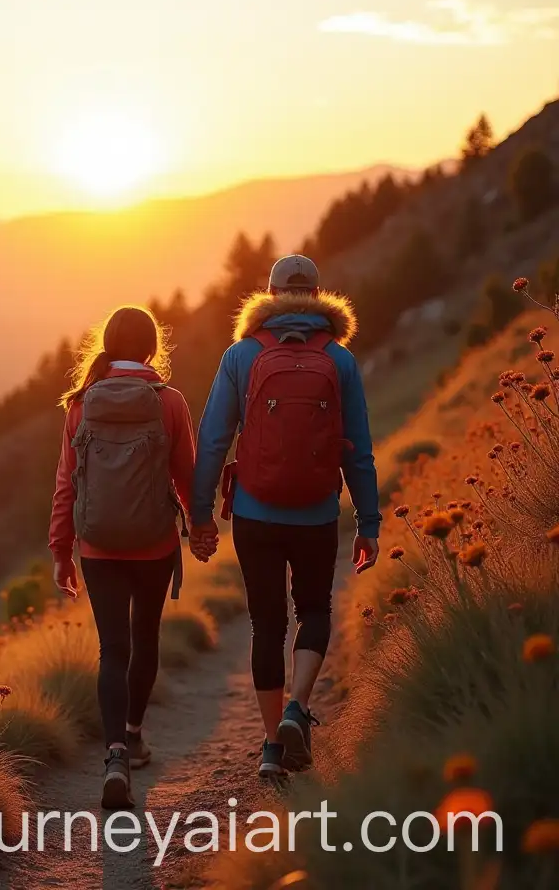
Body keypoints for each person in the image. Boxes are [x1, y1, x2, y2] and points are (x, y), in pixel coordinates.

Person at [190, 254, 380, 778]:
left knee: (266, 624)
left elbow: (212, 439)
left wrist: (200, 514)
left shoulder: (241, 356)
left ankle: (273, 745)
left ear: (270, 295)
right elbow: (357, 449)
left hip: (255, 512)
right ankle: (298, 705)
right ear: (318, 297)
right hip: (318, 512)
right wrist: (369, 523)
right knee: (314, 610)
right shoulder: (340, 360)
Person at [49, 305, 198, 809]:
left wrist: (61, 551)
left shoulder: (80, 404)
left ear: (107, 347)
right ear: (153, 350)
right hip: (153, 544)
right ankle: (133, 735)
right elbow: (186, 475)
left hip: (98, 546)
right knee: (145, 636)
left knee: (112, 648)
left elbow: (66, 485)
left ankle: (113, 755)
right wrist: (200, 531)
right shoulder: (170, 402)